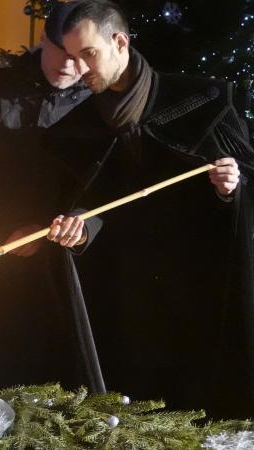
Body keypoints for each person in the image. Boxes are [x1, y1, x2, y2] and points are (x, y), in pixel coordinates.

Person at [49, 0, 254, 418]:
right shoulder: (80, 127)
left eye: (89, 54)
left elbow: (245, 176)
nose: (80, 68)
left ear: (119, 42)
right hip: (125, 299)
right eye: (73, 57)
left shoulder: (204, 102)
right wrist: (80, 228)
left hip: (195, 291)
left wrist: (232, 187)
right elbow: (86, 203)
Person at [0, 2, 106, 393]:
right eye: (60, 51)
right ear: (42, 40)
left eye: (80, 57)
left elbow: (106, 181)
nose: (68, 65)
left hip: (59, 252)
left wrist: (73, 224)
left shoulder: (95, 103)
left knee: (54, 363)